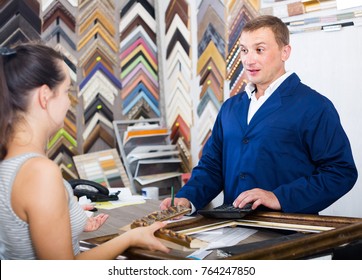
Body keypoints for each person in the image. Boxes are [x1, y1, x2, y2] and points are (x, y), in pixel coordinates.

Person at [160, 15, 358, 215]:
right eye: (244, 50)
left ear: (285, 52)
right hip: (233, 228)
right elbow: (212, 167)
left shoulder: (314, 106)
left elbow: (340, 173)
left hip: (288, 232)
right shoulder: (230, 108)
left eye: (259, 50)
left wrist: (279, 197)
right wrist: (187, 198)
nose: (249, 59)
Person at [0, 42, 169, 260]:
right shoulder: (40, 172)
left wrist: (71, 221)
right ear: (44, 96)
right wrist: (130, 237)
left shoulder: (9, 164)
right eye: (66, 92)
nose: (69, 103)